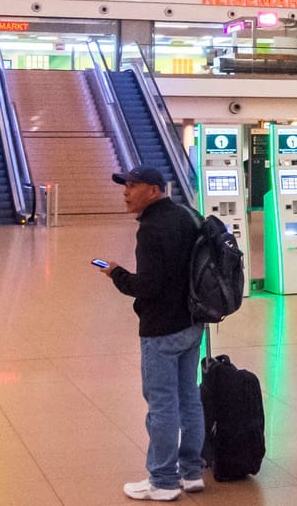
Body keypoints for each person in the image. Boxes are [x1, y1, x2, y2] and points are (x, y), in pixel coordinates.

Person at [102, 166, 205, 502]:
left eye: (133, 186)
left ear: (154, 189)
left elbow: (148, 286)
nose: (126, 192)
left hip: (161, 329)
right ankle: (191, 472)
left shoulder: (151, 228)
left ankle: (162, 480)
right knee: (189, 397)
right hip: (192, 322)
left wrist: (116, 274)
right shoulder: (189, 215)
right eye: (125, 186)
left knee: (161, 404)